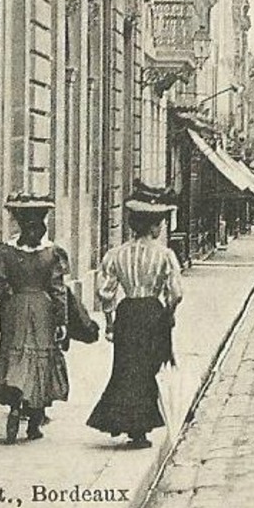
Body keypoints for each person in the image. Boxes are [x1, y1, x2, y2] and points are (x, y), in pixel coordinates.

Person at [87, 183, 184, 449]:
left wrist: (110, 323)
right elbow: (175, 292)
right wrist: (169, 313)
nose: (161, 228)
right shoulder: (165, 255)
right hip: (153, 312)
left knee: (127, 369)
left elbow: (105, 292)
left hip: (127, 313)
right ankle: (140, 427)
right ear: (153, 226)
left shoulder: (116, 255)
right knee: (147, 369)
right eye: (160, 223)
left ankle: (130, 424)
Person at [0, 194, 70, 444]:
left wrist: (10, 295)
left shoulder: (5, 252)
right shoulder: (52, 253)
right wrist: (62, 321)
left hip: (14, 310)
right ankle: (34, 422)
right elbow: (58, 291)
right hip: (42, 310)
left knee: (14, 357)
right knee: (39, 362)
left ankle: (15, 406)